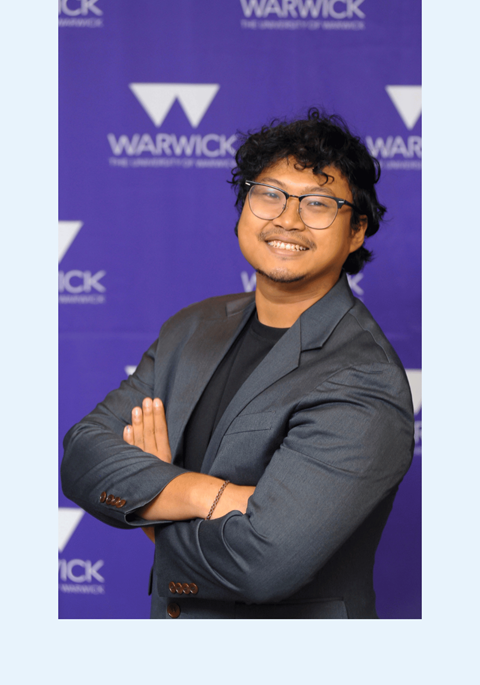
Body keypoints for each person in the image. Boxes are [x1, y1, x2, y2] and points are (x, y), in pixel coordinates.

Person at [61, 109, 414, 619]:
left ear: (357, 230)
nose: (287, 219)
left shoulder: (362, 376)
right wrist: (207, 494)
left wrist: (154, 506)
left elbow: (263, 564)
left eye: (318, 203)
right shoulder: (193, 327)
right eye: (269, 194)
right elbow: (82, 454)